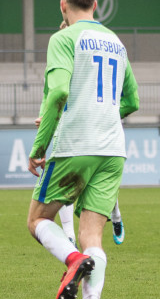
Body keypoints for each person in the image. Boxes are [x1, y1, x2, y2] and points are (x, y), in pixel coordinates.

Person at [26, 0, 139, 299]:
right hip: (113, 150)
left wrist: (38, 147)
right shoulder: (116, 42)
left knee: (37, 221)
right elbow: (133, 101)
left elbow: (57, 94)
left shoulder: (63, 38)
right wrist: (103, 114)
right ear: (95, 3)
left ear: (63, 4)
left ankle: (73, 261)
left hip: (76, 145)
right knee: (93, 236)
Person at [36, 20, 126, 247]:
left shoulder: (86, 61)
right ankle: (69, 236)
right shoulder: (58, 64)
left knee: (95, 181)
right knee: (65, 187)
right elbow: (49, 97)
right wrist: (43, 119)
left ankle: (115, 215)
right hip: (64, 131)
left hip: (89, 131)